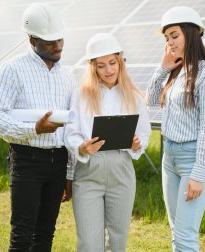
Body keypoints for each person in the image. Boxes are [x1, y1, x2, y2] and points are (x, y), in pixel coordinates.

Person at [0, 3, 77, 251]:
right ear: (32, 40)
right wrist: (34, 129)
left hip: (59, 162)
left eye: (60, 39)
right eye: (49, 41)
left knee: (45, 234)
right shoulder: (12, 70)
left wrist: (69, 173)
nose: (58, 46)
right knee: (22, 234)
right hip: (27, 160)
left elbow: (71, 128)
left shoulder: (68, 76)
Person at [146, 6, 205, 252]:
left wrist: (198, 173)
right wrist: (163, 67)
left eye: (174, 35)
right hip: (169, 158)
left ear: (190, 34)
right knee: (176, 230)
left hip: (194, 158)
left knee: (185, 235)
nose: (170, 42)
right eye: (166, 38)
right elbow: (150, 100)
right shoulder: (175, 70)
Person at [64, 32, 152, 252]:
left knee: (117, 239)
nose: (109, 70)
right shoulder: (80, 95)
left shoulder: (134, 96)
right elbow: (71, 133)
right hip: (89, 171)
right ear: (92, 67)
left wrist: (136, 144)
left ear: (120, 61)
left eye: (112, 63)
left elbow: (144, 133)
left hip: (121, 170)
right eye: (101, 65)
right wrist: (81, 147)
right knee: (89, 242)